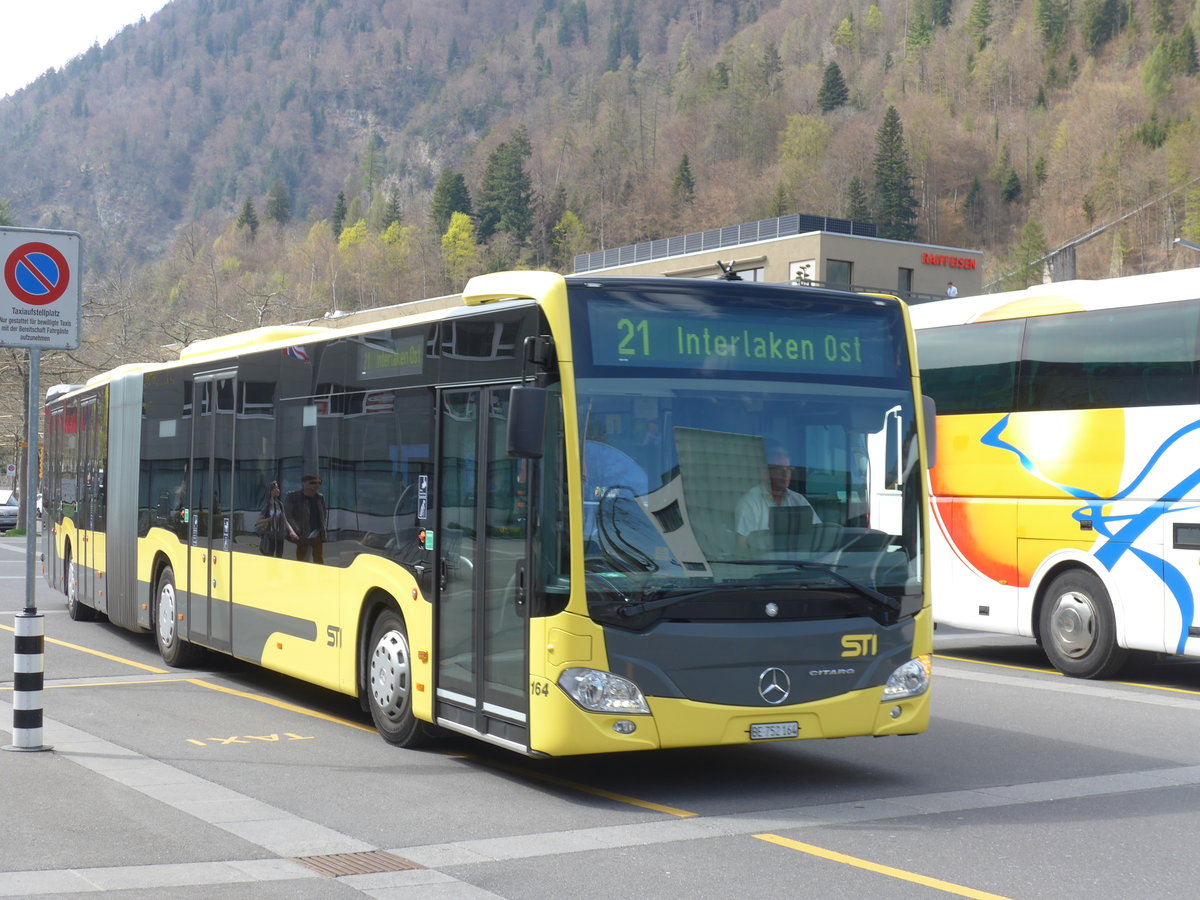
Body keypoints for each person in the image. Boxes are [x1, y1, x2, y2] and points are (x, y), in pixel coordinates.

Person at [735, 445, 820, 549]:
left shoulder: (798, 500)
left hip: (798, 561)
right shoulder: (750, 502)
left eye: (788, 469)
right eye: (779, 469)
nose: (785, 474)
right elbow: (741, 544)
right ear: (765, 472)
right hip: (762, 562)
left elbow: (817, 534)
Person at [284, 473, 327, 563]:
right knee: (301, 558)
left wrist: (322, 529)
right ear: (304, 483)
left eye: (319, 483)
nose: (317, 485)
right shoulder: (293, 497)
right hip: (302, 533)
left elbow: (323, 514)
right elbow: (288, 515)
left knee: (319, 557)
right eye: (313, 483)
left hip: (317, 532)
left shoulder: (320, 498)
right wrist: (296, 530)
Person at [256, 481, 296, 557]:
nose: (278, 490)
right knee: (270, 557)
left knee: (279, 556)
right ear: (271, 491)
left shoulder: (280, 504)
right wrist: (268, 520)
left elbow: (285, 520)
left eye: (278, 488)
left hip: (280, 536)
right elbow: (258, 522)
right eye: (276, 488)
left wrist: (292, 532)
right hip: (270, 536)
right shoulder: (267, 505)